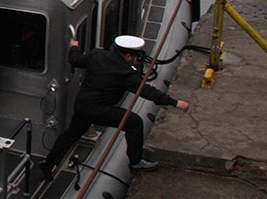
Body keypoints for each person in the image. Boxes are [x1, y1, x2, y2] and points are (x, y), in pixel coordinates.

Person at [39, 35, 190, 179]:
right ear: (129, 56)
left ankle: (49, 163)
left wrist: (74, 47)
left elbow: (75, 59)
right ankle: (135, 162)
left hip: (82, 105)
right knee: (134, 122)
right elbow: (148, 92)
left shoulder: (97, 55)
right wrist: (174, 102)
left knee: (70, 135)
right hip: (100, 110)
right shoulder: (126, 73)